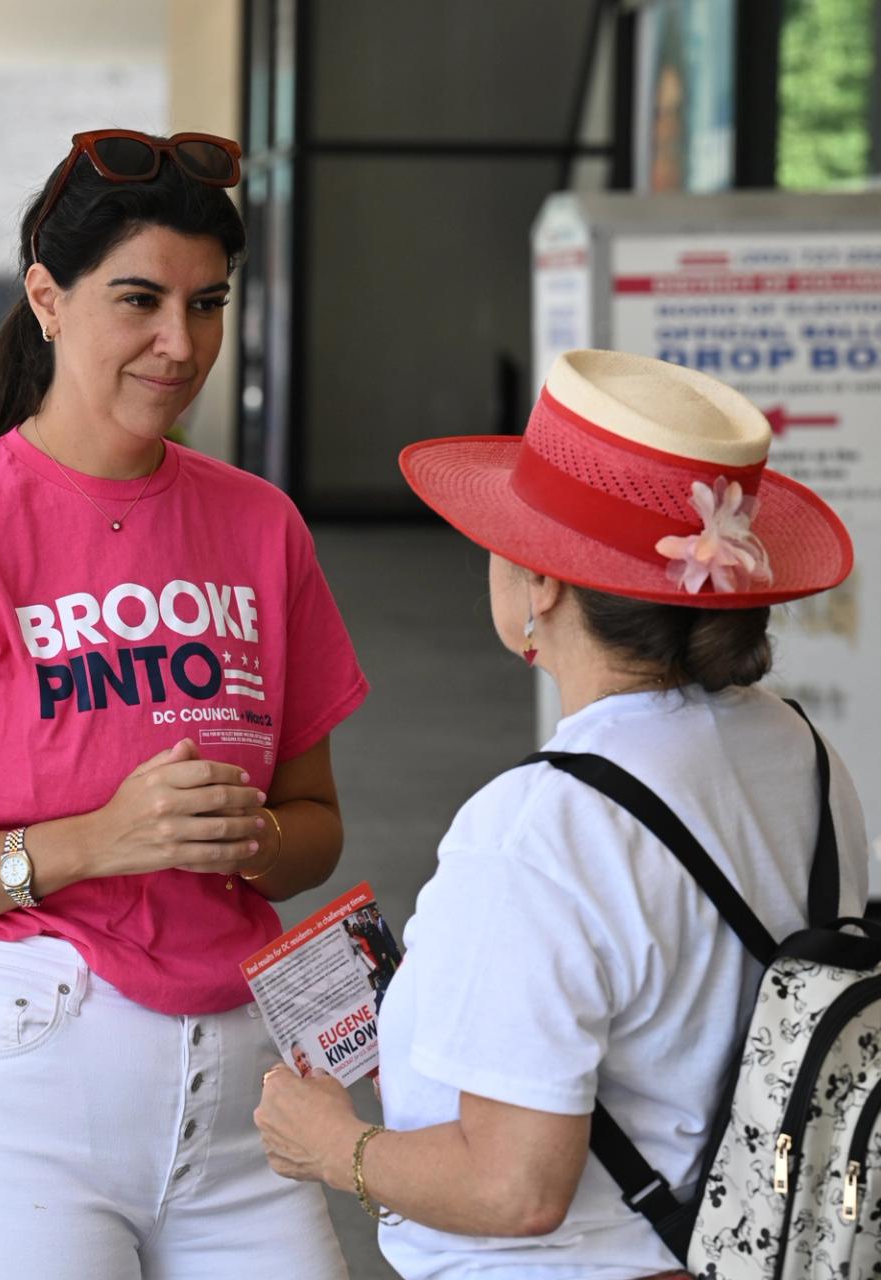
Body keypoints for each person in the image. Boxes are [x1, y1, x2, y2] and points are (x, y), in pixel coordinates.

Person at [0, 129, 366, 1278]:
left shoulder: (263, 525)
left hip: (246, 1101)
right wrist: (96, 841)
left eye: (207, 303)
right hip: (16, 1091)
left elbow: (315, 821)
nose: (181, 342)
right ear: (47, 299)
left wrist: (247, 836)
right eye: (140, 299)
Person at [255, 349, 868, 1279]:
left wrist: (333, 1145)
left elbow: (514, 1190)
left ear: (542, 582)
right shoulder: (804, 755)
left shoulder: (538, 829)